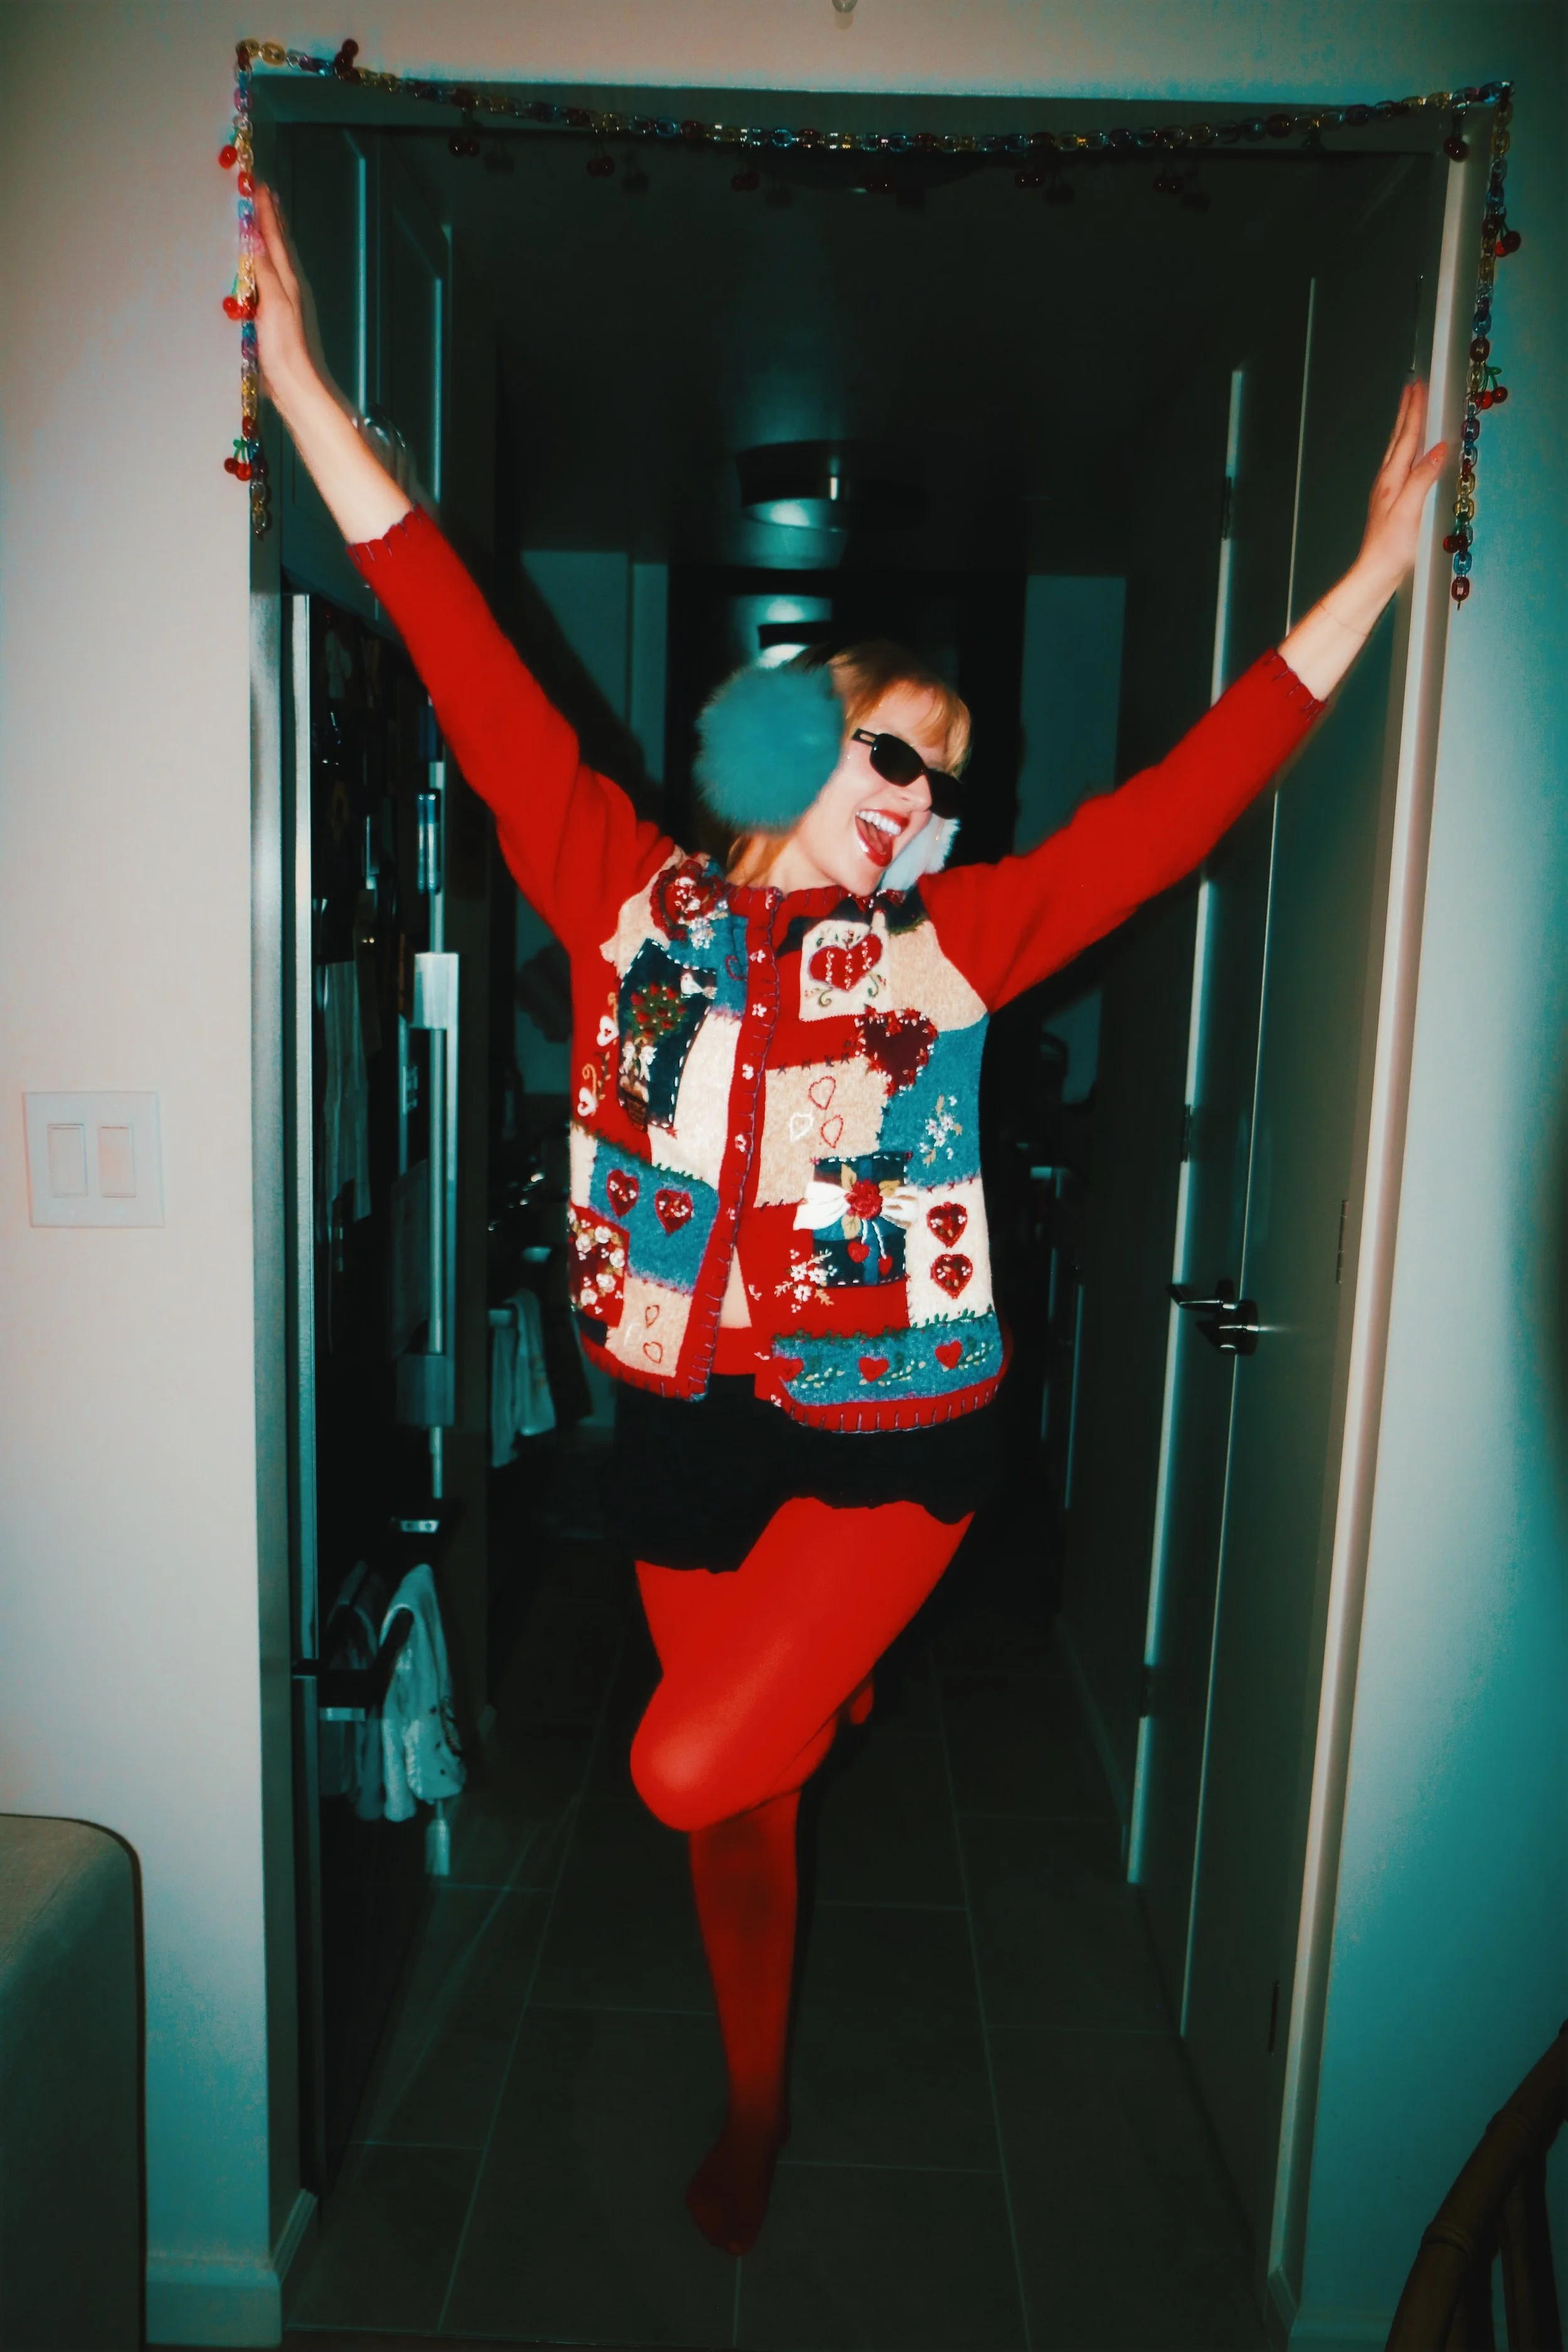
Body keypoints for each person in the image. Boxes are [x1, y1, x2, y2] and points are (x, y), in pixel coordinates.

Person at [251, 183, 1446, 2255]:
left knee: (676, 1763)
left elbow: (1172, 807)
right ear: (803, 741)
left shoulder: (951, 952)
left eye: (948, 782)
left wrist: (1358, 579)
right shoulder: (628, 898)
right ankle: (755, 2101)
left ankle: (840, 1678)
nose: (924, 804)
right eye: (896, 757)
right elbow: (454, 636)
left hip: (892, 1440)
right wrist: (300, 386)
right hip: (696, 1433)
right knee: (745, 1813)